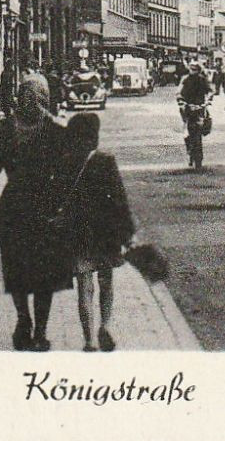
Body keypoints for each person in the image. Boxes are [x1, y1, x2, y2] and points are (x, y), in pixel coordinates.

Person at [0, 72, 71, 352]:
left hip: (14, 206)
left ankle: (24, 322)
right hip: (45, 205)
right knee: (44, 271)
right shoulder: (57, 130)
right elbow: (68, 175)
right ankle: (40, 332)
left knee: (16, 266)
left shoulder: (4, 128)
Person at [63, 112, 136, 352]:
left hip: (79, 234)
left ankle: (89, 340)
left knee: (85, 288)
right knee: (106, 283)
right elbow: (119, 200)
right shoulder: (106, 161)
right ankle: (106, 325)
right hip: (106, 234)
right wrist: (127, 232)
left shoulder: (66, 162)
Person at [177, 61, 212, 169]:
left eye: (196, 69)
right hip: (188, 107)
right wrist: (181, 100)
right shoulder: (185, 79)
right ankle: (188, 146)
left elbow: (210, 91)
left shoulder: (202, 79)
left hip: (200, 106)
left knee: (206, 120)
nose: (194, 71)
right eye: (192, 69)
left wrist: (209, 99)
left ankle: (204, 131)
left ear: (199, 70)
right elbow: (179, 92)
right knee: (186, 127)